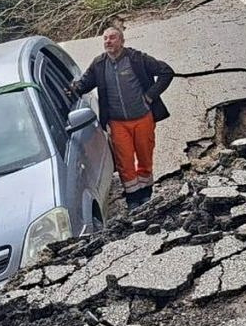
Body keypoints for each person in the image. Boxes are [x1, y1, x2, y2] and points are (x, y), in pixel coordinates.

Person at [70, 27, 174, 210]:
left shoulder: (136, 59)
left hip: (143, 118)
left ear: (122, 41)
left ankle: (146, 193)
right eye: (105, 39)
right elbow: (84, 83)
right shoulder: (99, 64)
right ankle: (133, 198)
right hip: (117, 123)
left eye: (112, 38)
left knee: (144, 157)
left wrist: (150, 96)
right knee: (124, 161)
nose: (108, 41)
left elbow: (166, 71)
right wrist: (73, 89)